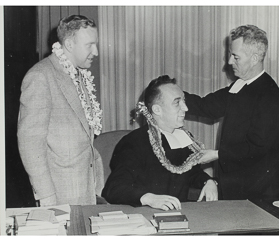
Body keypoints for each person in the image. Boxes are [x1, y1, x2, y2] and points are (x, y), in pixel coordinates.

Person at [184, 25, 279, 202]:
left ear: (254, 59)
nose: (230, 62)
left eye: (235, 57)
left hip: (258, 198)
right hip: (236, 191)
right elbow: (206, 106)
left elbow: (257, 147)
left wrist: (216, 154)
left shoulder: (269, 94)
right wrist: (174, 94)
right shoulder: (240, 85)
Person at [17, 15, 104, 206]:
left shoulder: (79, 74)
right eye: (89, 45)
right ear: (69, 44)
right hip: (59, 192)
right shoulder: (40, 76)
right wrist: (46, 195)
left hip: (85, 186)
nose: (95, 52)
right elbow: (30, 144)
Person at [102, 75, 218, 211]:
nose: (186, 108)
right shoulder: (134, 142)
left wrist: (208, 181)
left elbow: (191, 173)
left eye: (184, 101)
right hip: (143, 217)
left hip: (179, 216)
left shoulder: (185, 138)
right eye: (177, 102)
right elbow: (114, 188)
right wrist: (150, 199)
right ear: (157, 110)